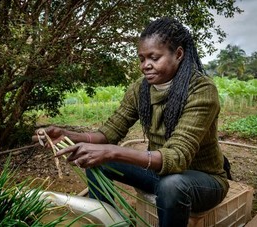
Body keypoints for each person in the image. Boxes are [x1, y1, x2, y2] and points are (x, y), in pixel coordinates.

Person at [33, 17, 229, 227]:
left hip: (201, 181)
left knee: (172, 185)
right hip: (159, 174)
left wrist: (111, 151)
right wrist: (69, 136)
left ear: (178, 54)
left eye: (154, 57)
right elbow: (109, 132)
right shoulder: (140, 88)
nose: (146, 66)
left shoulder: (201, 90)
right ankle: (108, 222)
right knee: (97, 159)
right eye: (142, 59)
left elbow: (177, 157)